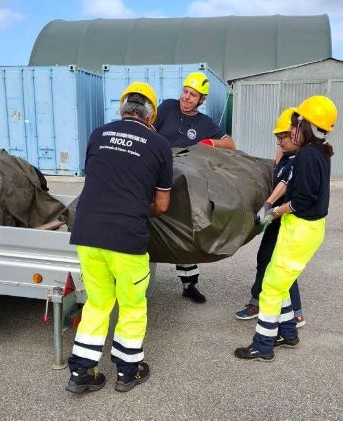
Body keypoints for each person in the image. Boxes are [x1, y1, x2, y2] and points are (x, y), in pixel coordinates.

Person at [66, 82, 173, 394]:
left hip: (86, 233)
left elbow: (98, 180)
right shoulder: (159, 145)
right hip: (126, 238)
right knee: (131, 304)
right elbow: (163, 205)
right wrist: (137, 208)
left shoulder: (98, 134)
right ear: (151, 116)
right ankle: (128, 371)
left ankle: (82, 372)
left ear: (122, 108)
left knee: (98, 303)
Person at [235, 95, 337, 361]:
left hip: (300, 230)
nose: (290, 130)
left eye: (294, 124)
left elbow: (302, 199)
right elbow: (294, 185)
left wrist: (275, 212)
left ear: (304, 125)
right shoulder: (321, 152)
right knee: (283, 281)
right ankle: (288, 332)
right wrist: (270, 204)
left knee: (270, 287)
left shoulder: (306, 156)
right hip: (307, 229)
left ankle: (263, 345)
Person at [153, 71, 236, 304]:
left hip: (181, 186)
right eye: (185, 92)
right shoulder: (167, 108)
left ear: (202, 100)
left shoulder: (205, 124)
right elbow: (149, 129)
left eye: (193, 95)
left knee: (183, 231)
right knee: (146, 223)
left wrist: (211, 142)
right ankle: (138, 276)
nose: (186, 98)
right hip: (155, 176)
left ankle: (189, 285)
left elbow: (230, 144)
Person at [234, 108, 305, 328]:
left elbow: (284, 184)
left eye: (282, 137)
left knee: (279, 265)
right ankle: (266, 303)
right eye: (277, 138)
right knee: (267, 259)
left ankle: (294, 312)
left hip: (287, 218)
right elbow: (277, 172)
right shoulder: (288, 156)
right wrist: (280, 152)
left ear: (296, 134)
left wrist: (267, 207)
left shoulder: (301, 160)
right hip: (278, 219)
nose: (279, 142)